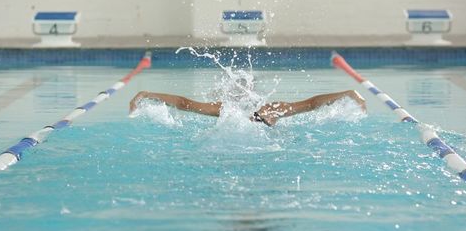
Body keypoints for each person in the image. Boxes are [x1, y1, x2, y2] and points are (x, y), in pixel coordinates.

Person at [129, 90, 366, 126]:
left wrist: (147, 94)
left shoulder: (225, 109)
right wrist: (347, 94)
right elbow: (313, 105)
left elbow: (184, 104)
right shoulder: (272, 109)